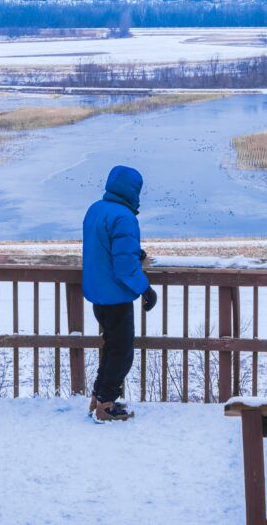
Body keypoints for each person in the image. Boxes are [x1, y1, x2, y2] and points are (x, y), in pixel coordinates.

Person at [81, 165, 158, 422]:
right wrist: (145, 288)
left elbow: (105, 247)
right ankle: (106, 405)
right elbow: (124, 267)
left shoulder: (96, 209)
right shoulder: (124, 217)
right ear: (133, 190)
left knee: (111, 347)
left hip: (97, 293)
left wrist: (135, 252)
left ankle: (99, 396)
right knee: (122, 352)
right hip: (115, 295)